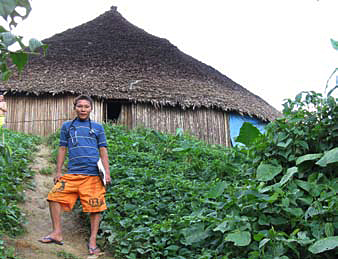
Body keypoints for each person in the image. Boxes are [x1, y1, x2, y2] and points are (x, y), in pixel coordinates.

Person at [39, 95, 111, 256]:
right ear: (75, 108)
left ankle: (92, 241)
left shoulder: (98, 127)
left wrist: (107, 172)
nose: (83, 109)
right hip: (72, 174)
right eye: (80, 106)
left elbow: (103, 150)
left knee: (95, 207)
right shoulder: (67, 127)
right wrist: (58, 171)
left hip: (93, 175)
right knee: (54, 197)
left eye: (86, 106)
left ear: (91, 109)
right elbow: (62, 148)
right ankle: (57, 232)